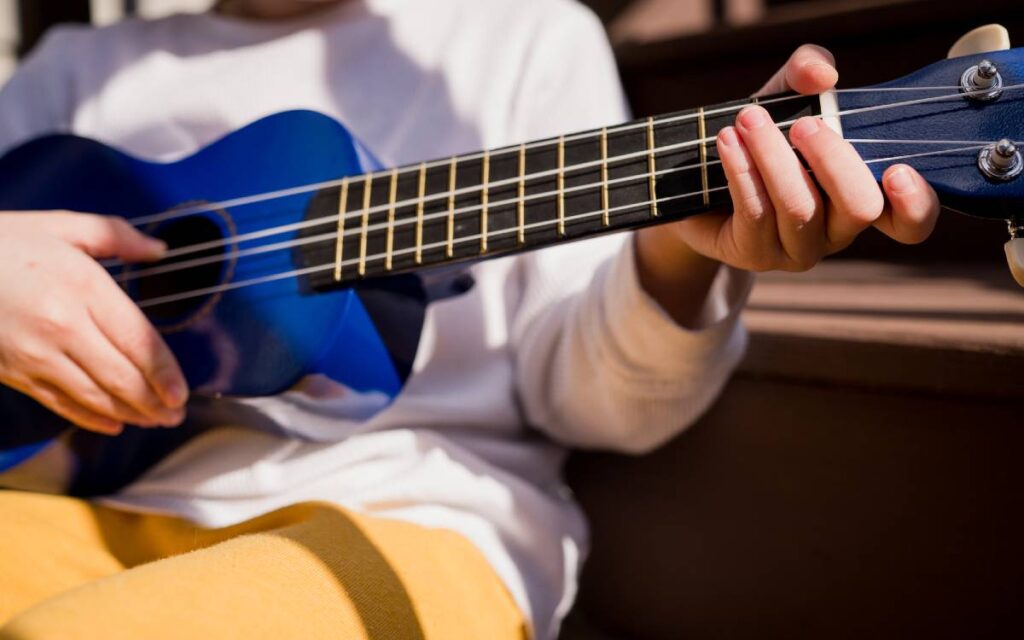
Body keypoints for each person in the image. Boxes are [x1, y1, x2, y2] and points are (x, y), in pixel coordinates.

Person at [0, 0, 939, 638]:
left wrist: (679, 255)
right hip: (75, 501)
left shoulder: (519, 34)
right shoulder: (74, 68)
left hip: (407, 516)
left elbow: (596, 405)